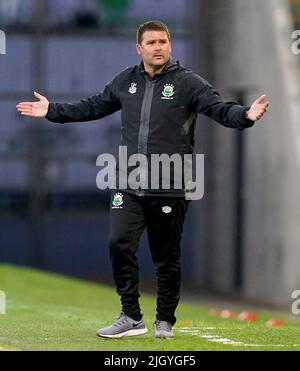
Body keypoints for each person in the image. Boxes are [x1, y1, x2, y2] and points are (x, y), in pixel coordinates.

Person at [16, 20, 269, 339]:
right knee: (118, 242)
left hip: (169, 183)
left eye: (163, 41)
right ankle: (131, 316)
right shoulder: (126, 80)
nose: (159, 47)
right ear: (139, 48)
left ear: (170, 45)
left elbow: (219, 108)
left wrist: (244, 116)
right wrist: (52, 110)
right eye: (152, 43)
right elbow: (92, 106)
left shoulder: (188, 82)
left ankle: (165, 319)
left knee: (166, 255)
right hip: (128, 181)